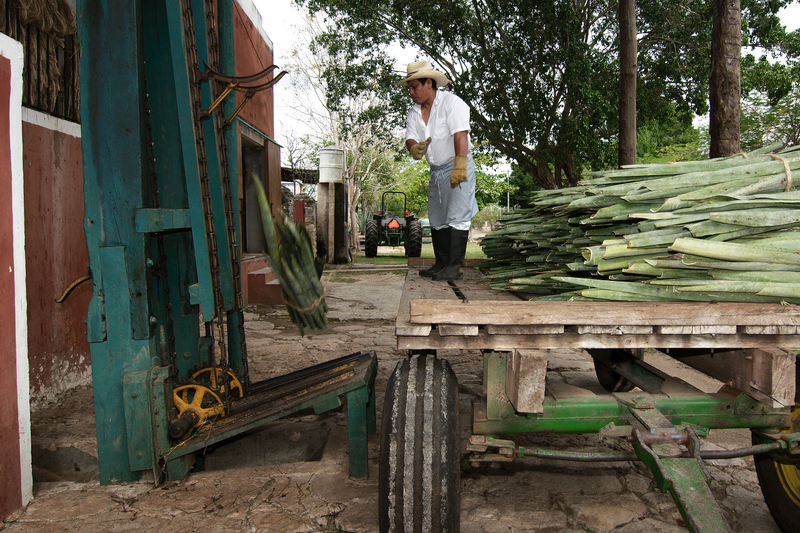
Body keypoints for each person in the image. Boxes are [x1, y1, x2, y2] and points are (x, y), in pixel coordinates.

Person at [397, 61, 478, 281]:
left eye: (415, 87)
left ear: (429, 83)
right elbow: (410, 137)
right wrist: (413, 147)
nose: (411, 92)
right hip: (436, 170)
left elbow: (460, 135)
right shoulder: (414, 112)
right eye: (409, 88)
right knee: (438, 216)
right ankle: (441, 264)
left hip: (457, 162)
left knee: (458, 214)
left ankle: (454, 267)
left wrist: (460, 166)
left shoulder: (452, 103)